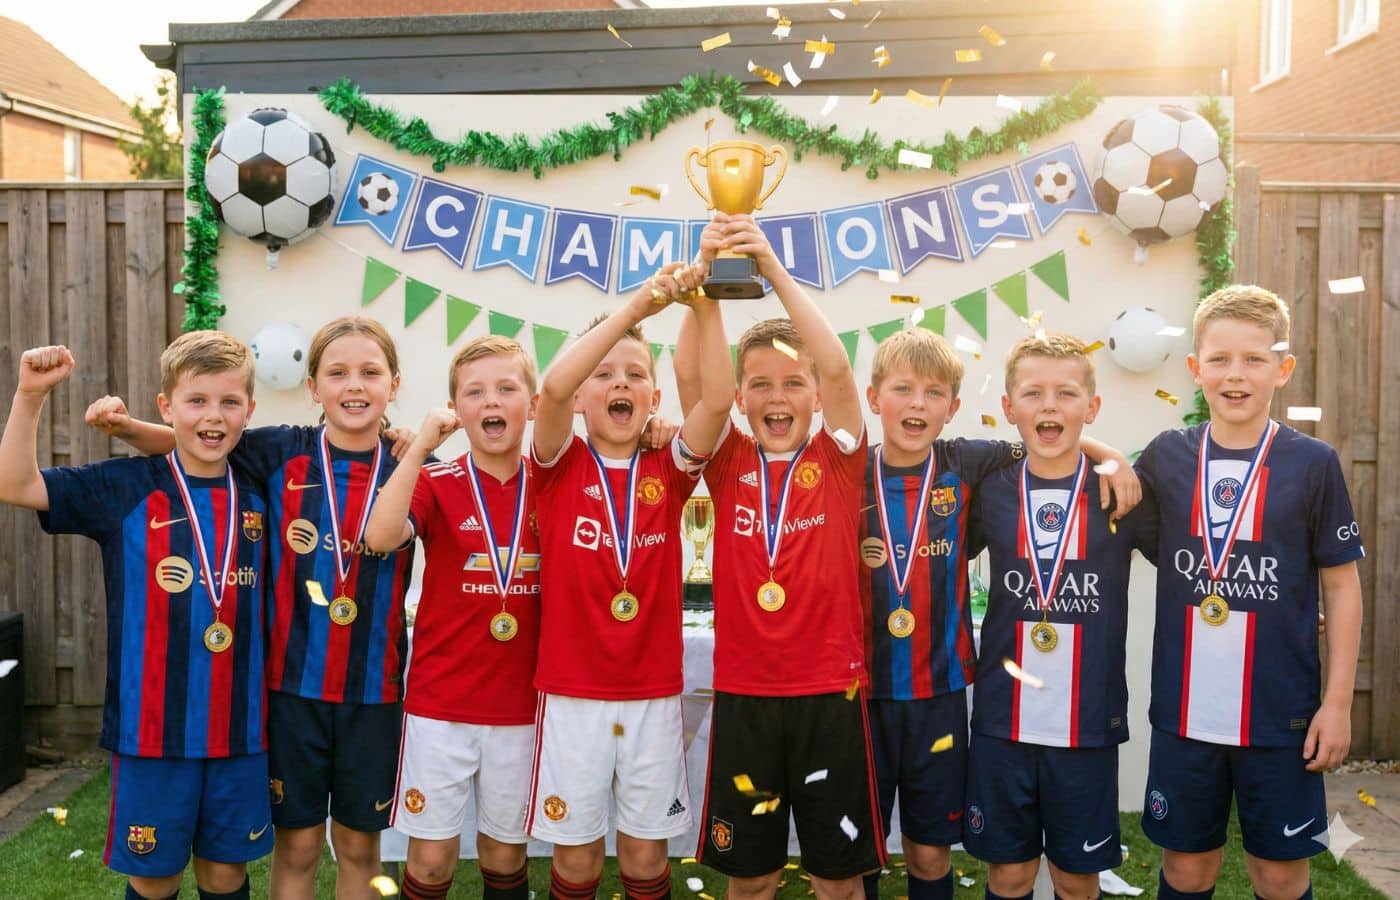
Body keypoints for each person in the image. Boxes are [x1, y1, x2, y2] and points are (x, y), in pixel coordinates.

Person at [86, 316, 418, 899]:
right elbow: (196, 441)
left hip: (375, 695)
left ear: (395, 382)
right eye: (337, 372)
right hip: (288, 694)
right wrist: (128, 427)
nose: (354, 386)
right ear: (312, 386)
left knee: (362, 848)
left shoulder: (412, 469)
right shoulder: (278, 450)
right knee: (298, 846)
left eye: (370, 372)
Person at [0, 334, 270, 900]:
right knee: (154, 877)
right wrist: (28, 395)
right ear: (166, 407)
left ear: (251, 409)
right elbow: (15, 485)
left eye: (229, 402)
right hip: (151, 733)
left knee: (226, 875)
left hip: (240, 729)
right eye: (196, 401)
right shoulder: (124, 487)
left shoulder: (263, 486)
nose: (213, 417)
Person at [675, 214, 880, 900]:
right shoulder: (728, 463)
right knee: (752, 878)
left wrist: (774, 271)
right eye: (759, 384)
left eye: (794, 383)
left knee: (836, 879)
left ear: (816, 397)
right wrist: (701, 287)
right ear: (739, 399)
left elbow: (839, 362)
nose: (777, 397)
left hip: (831, 693)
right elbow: (690, 381)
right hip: (746, 697)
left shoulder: (840, 458)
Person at [1136, 286, 1364, 900]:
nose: (1235, 375)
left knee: (1281, 873)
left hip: (1280, 715)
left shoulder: (1312, 463)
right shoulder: (1166, 457)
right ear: (1195, 369)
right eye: (1219, 359)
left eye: (1254, 359)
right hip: (1185, 713)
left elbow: (1341, 586)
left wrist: (1337, 703)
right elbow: (1108, 499)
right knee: (1186, 870)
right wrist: (1107, 458)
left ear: (1282, 369)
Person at [527, 260, 732, 900]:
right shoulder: (557, 463)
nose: (620, 383)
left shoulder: (668, 467)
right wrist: (639, 309)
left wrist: (702, 303)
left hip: (650, 693)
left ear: (653, 399)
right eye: (604, 375)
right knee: (580, 860)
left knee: (645, 859)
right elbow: (554, 389)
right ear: (586, 396)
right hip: (573, 694)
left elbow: (719, 401)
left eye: (635, 376)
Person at [962, 333, 1154, 900]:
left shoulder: (1120, 492)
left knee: (1076, 879)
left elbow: (1196, 566)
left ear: (1091, 409)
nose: (1049, 406)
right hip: (1002, 720)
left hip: (1087, 724)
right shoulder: (989, 488)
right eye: (1033, 393)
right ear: (1008, 408)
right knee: (1011, 874)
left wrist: (1109, 457)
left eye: (1067, 393)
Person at [363, 335, 543, 900]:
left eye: (506, 389)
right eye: (475, 392)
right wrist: (419, 448)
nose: (491, 402)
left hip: (521, 704)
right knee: (433, 860)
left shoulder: (555, 483)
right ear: (457, 410)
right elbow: (380, 536)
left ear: (533, 404)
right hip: (441, 705)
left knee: (504, 853)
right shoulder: (437, 483)